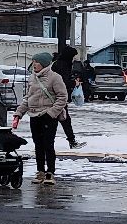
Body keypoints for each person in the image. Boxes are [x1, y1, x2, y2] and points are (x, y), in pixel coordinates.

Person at [10, 51, 70, 183]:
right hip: (34, 115)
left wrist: (52, 112)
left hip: (48, 115)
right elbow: (27, 98)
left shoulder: (55, 77)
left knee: (48, 144)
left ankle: (50, 172)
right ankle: (40, 171)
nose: (34, 64)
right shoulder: (32, 78)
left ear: (43, 63)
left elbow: (62, 97)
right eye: (33, 61)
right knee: (38, 145)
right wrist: (19, 113)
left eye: (37, 62)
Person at [53, 41, 82, 148]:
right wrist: (74, 82)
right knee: (64, 119)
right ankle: (71, 141)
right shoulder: (63, 65)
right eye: (73, 57)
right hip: (58, 97)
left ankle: (71, 140)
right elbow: (62, 80)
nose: (74, 59)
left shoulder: (57, 63)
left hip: (57, 96)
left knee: (61, 119)